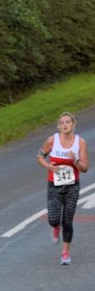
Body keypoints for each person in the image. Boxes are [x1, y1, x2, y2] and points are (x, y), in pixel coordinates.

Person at [37, 111, 89, 265]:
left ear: (73, 124)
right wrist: (48, 166)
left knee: (68, 220)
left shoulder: (80, 142)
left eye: (68, 122)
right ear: (59, 126)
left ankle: (65, 253)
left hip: (72, 185)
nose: (65, 125)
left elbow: (85, 168)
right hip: (54, 184)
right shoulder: (52, 140)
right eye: (62, 123)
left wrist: (75, 160)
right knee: (53, 218)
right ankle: (55, 226)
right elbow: (39, 156)